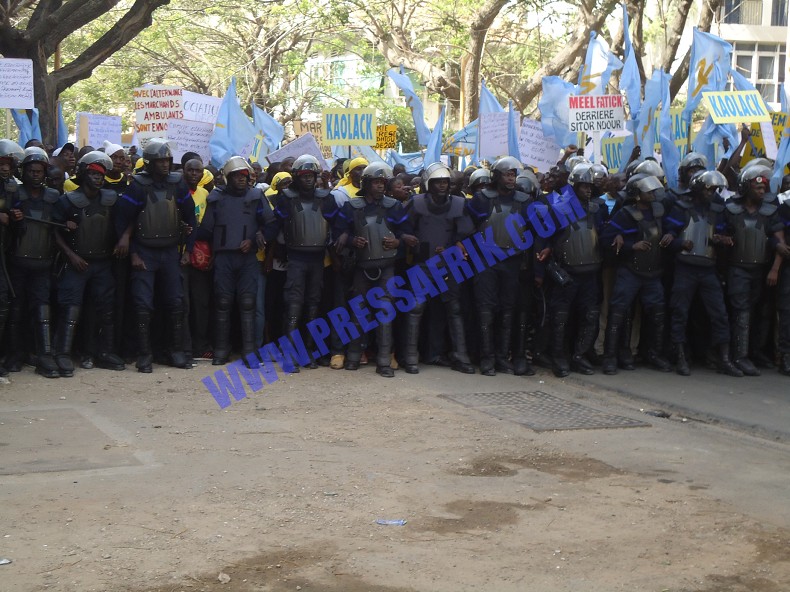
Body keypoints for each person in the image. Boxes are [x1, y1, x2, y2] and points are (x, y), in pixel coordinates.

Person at [114, 138, 197, 373]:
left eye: (168, 160)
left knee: (176, 303)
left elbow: (190, 216)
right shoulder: (138, 186)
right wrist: (132, 253)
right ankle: (144, 355)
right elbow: (122, 219)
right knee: (142, 306)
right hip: (144, 252)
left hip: (171, 252)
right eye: (160, 161)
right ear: (149, 163)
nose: (165, 164)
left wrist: (188, 250)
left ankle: (176, 351)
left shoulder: (177, 184)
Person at [51, 151, 126, 377]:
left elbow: (125, 221)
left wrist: (123, 238)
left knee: (106, 310)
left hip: (103, 263)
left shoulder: (111, 199)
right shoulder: (67, 200)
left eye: (101, 174)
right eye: (93, 173)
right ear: (83, 174)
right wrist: (71, 255)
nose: (98, 178)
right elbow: (53, 230)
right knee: (71, 309)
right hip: (77, 263)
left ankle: (104, 352)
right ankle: (62, 353)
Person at [198, 156, 277, 368]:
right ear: (228, 177)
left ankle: (249, 352)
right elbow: (206, 229)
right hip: (223, 258)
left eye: (245, 176)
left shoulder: (255, 195)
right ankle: (222, 350)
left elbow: (271, 224)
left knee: (248, 304)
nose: (242, 179)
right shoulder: (216, 197)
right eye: (237, 176)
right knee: (223, 304)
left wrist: (254, 239)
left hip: (247, 258)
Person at [661, 170, 742, 376]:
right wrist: (679, 242)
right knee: (680, 312)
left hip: (708, 268)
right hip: (685, 267)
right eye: (709, 189)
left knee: (719, 314)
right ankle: (680, 356)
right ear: (698, 188)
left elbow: (725, 232)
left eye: (715, 190)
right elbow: (667, 236)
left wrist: (723, 240)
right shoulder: (681, 207)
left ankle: (724, 358)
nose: (712, 193)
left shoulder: (718, 209)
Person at [337, 162, 413, 377]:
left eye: (383, 182)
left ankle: (384, 361)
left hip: (387, 266)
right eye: (376, 182)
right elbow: (338, 232)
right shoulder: (352, 206)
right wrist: (352, 240)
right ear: (367, 183)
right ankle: (353, 356)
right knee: (358, 311)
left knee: (385, 311)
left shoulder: (394, 206)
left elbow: (406, 231)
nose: (380, 186)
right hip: (361, 266)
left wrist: (399, 242)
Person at [403, 162, 475, 374]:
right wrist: (408, 239)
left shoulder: (459, 204)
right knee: (416, 309)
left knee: (454, 309)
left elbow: (465, 231)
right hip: (423, 262)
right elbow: (403, 227)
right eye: (438, 182)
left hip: (449, 263)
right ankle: (410, 357)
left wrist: (452, 246)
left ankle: (460, 356)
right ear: (428, 183)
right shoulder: (415, 203)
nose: (443, 185)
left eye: (445, 181)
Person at [466, 156, 534, 376]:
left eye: (513, 174)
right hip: (486, 262)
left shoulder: (525, 201)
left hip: (512, 262)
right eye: (507, 174)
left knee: (507, 310)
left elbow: (534, 231)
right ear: (496, 176)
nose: (511, 178)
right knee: (486, 311)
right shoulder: (481, 199)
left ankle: (503, 358)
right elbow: (469, 228)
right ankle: (487, 358)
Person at [274, 155, 341, 370]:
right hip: (295, 258)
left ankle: (309, 352)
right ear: (296, 177)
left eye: (311, 176)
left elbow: (335, 225)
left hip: (317, 258)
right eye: (304, 176)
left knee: (314, 305)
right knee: (293, 305)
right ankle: (290, 355)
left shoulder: (326, 198)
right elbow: (276, 226)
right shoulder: (286, 198)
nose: (308, 180)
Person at [601, 174, 671, 375]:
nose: (652, 193)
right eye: (647, 191)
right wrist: (631, 246)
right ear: (636, 194)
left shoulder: (659, 211)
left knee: (657, 314)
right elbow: (606, 239)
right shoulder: (625, 214)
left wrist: (671, 235)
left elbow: (670, 230)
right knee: (618, 313)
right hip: (630, 270)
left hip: (653, 272)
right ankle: (611, 357)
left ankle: (654, 354)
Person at [541, 162, 606, 377]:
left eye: (590, 186)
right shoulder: (558, 209)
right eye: (583, 186)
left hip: (591, 272)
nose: (588, 189)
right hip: (566, 273)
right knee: (560, 318)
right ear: (574, 186)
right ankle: (558, 357)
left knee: (589, 316)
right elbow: (545, 240)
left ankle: (579, 355)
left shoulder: (597, 209)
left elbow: (603, 235)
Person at [722, 165, 787, 376]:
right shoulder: (730, 208)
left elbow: (780, 243)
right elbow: (717, 234)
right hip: (737, 269)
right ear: (746, 187)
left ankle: (752, 352)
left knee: (758, 313)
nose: (761, 191)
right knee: (741, 312)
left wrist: (775, 269)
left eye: (763, 188)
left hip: (760, 270)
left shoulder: (769, 211)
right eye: (757, 187)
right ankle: (740, 357)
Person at [6, 147, 61, 377]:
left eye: (39, 171)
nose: (35, 174)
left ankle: (44, 356)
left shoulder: (54, 197)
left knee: (42, 310)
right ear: (24, 172)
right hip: (17, 262)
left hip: (43, 263)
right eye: (31, 170)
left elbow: (61, 227)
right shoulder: (14, 194)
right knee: (15, 311)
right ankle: (14, 355)